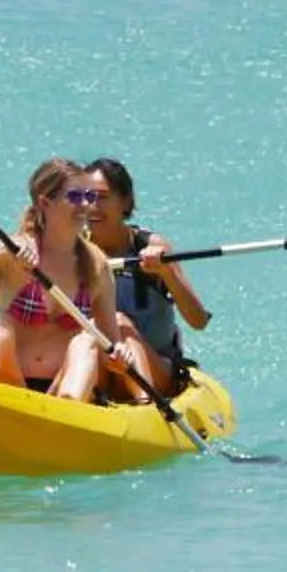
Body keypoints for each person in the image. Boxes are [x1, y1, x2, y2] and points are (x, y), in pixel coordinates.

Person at [0, 160, 143, 401]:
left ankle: (67, 412)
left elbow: (110, 347)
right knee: (1, 330)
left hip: (63, 387)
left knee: (87, 339)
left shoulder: (97, 264)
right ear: (45, 203)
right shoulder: (15, 249)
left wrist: (119, 356)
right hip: (12, 384)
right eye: (74, 196)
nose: (86, 205)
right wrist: (2, 253)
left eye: (89, 196)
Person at [80, 157, 210, 396]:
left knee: (118, 322)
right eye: (86, 197)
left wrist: (166, 271)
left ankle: (145, 403)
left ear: (125, 201)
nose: (92, 206)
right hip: (100, 365)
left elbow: (198, 320)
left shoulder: (151, 246)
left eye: (103, 197)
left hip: (157, 369)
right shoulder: (73, 252)